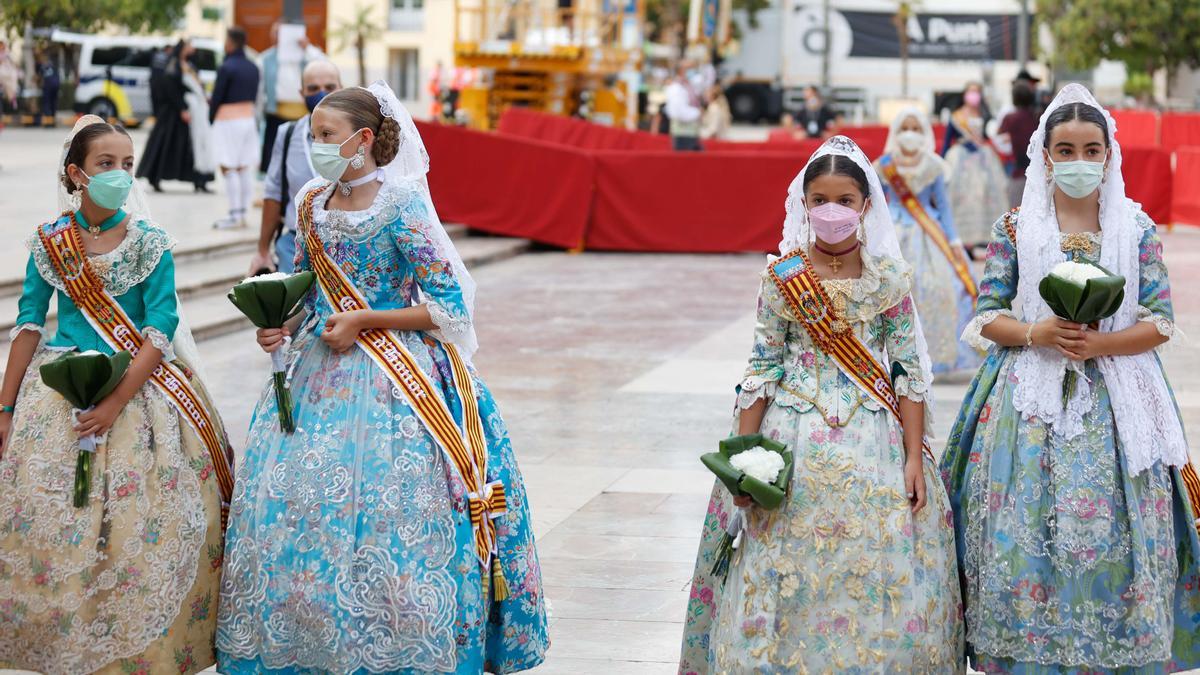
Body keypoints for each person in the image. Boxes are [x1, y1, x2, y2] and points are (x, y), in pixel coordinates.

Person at [216, 82, 550, 673]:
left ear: (363, 139)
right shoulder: (312, 205)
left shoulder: (401, 206)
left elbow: (450, 308)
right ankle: (310, 637)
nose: (315, 146)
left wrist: (366, 320)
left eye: (325, 136)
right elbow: (305, 291)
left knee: (392, 513)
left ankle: (393, 641)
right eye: (313, 135)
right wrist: (280, 326)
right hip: (316, 373)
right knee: (302, 511)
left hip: (398, 380)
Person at [678, 135, 964, 673]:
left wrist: (911, 457)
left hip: (876, 440)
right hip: (793, 442)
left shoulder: (889, 280)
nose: (832, 212)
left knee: (879, 568)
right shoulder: (783, 277)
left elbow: (908, 374)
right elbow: (762, 367)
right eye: (820, 201)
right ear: (804, 205)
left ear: (864, 207)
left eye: (845, 201)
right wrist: (744, 460)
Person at [941, 83, 1200, 673]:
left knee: (1115, 535)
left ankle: (1116, 648)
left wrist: (1101, 342)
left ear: (1109, 155)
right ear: (1044, 155)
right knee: (1022, 528)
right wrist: (1040, 332)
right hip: (1027, 395)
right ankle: (1027, 650)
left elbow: (1161, 321)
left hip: (1120, 395)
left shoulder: (1136, 228)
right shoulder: (1017, 227)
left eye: (1091, 150)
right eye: (1066, 150)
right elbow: (987, 314)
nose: (1079, 162)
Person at [0, 116, 234, 674]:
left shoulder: (151, 244)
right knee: (60, 526)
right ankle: (65, 643)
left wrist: (112, 404)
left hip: (141, 394)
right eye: (106, 165)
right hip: (58, 394)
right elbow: (29, 324)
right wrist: (5, 408)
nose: (120, 175)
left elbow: (159, 329)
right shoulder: (51, 241)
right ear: (77, 174)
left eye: (128, 164)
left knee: (137, 529)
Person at [875, 107, 980, 375]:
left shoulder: (934, 165)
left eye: (916, 129)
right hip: (894, 232)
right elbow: (876, 205)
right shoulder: (884, 164)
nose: (910, 134)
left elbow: (943, 208)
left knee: (941, 287)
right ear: (896, 132)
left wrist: (954, 240)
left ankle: (935, 355)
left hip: (929, 234)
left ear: (924, 133)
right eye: (904, 128)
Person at [249, 60, 341, 275]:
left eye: (329, 87)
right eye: (313, 88)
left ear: (341, 89)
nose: (321, 94)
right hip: (296, 244)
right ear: (302, 93)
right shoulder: (288, 135)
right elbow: (273, 192)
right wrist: (263, 250)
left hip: (343, 245)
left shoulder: (356, 137)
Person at [941, 82, 1009, 256]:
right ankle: (963, 242)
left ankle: (983, 240)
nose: (973, 95)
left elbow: (990, 135)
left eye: (976, 92)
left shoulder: (985, 114)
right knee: (963, 201)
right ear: (964, 94)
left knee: (984, 198)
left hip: (983, 160)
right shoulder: (956, 116)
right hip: (961, 162)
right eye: (971, 92)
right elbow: (948, 141)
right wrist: (941, 164)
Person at [137, 40, 213, 193]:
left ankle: (200, 180)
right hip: (174, 112)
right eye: (190, 46)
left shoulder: (190, 65)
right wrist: (182, 108)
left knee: (196, 146)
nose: (193, 48)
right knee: (165, 145)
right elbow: (169, 87)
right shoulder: (173, 65)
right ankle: (155, 177)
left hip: (193, 111)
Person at [209, 26, 261, 229]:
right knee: (242, 167)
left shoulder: (226, 66)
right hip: (248, 119)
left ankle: (233, 215)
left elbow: (217, 96)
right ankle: (242, 214)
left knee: (228, 167)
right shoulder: (253, 66)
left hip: (228, 120)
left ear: (230, 43)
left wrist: (211, 117)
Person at [258, 21, 325, 173]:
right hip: (275, 114)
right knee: (273, 161)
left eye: (280, 32)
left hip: (302, 116)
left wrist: (307, 47)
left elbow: (324, 64)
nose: (276, 36)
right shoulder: (265, 59)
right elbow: (260, 90)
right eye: (274, 32)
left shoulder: (307, 56)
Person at [997, 81, 1039, 208]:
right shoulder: (1037, 116)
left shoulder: (1010, 118)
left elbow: (999, 139)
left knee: (1015, 214)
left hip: (1017, 171)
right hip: (1037, 172)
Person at [664, 62, 703, 151]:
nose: (692, 71)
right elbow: (679, 112)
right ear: (681, 71)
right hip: (682, 134)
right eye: (689, 68)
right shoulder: (676, 87)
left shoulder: (687, 85)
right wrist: (697, 113)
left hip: (691, 132)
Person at [34, 50, 59, 126]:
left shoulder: (42, 65)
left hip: (48, 86)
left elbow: (38, 77)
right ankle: (52, 122)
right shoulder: (52, 64)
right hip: (56, 85)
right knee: (53, 103)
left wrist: (35, 80)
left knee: (47, 103)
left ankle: (48, 122)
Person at [0, 40, 19, 114]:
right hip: (2, 73)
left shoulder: (7, 54)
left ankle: (12, 98)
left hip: (7, 73)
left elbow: (13, 62)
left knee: (12, 81)